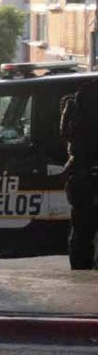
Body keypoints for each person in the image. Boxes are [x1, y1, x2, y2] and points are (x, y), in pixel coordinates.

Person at [60, 80, 98, 269]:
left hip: (82, 175)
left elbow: (65, 134)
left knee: (81, 232)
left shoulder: (77, 100)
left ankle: (81, 272)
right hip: (83, 174)